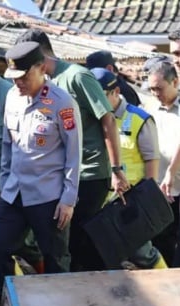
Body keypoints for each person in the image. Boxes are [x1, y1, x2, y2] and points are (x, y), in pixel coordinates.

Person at [0, 42, 81, 306]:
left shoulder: (62, 102)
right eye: (14, 78)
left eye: (23, 76)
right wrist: (4, 186)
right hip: (14, 192)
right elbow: (8, 146)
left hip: (48, 195)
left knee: (54, 255)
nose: (18, 82)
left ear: (41, 68)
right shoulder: (12, 97)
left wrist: (68, 199)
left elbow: (73, 154)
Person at [16, 29, 129, 272]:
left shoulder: (77, 77)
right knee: (58, 242)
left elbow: (107, 120)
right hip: (59, 174)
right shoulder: (42, 83)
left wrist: (116, 169)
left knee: (78, 241)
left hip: (88, 173)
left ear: (41, 54)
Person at [91, 67, 167, 269]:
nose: (95, 102)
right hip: (100, 201)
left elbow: (152, 159)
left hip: (130, 201)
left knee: (143, 254)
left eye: (100, 96)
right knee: (105, 256)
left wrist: (146, 199)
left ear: (115, 92)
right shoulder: (91, 120)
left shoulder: (138, 118)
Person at [145, 61, 180, 267]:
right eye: (152, 89)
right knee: (161, 241)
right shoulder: (149, 108)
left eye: (159, 88)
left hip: (175, 183)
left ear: (174, 82)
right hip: (159, 189)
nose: (155, 93)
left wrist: (171, 172)